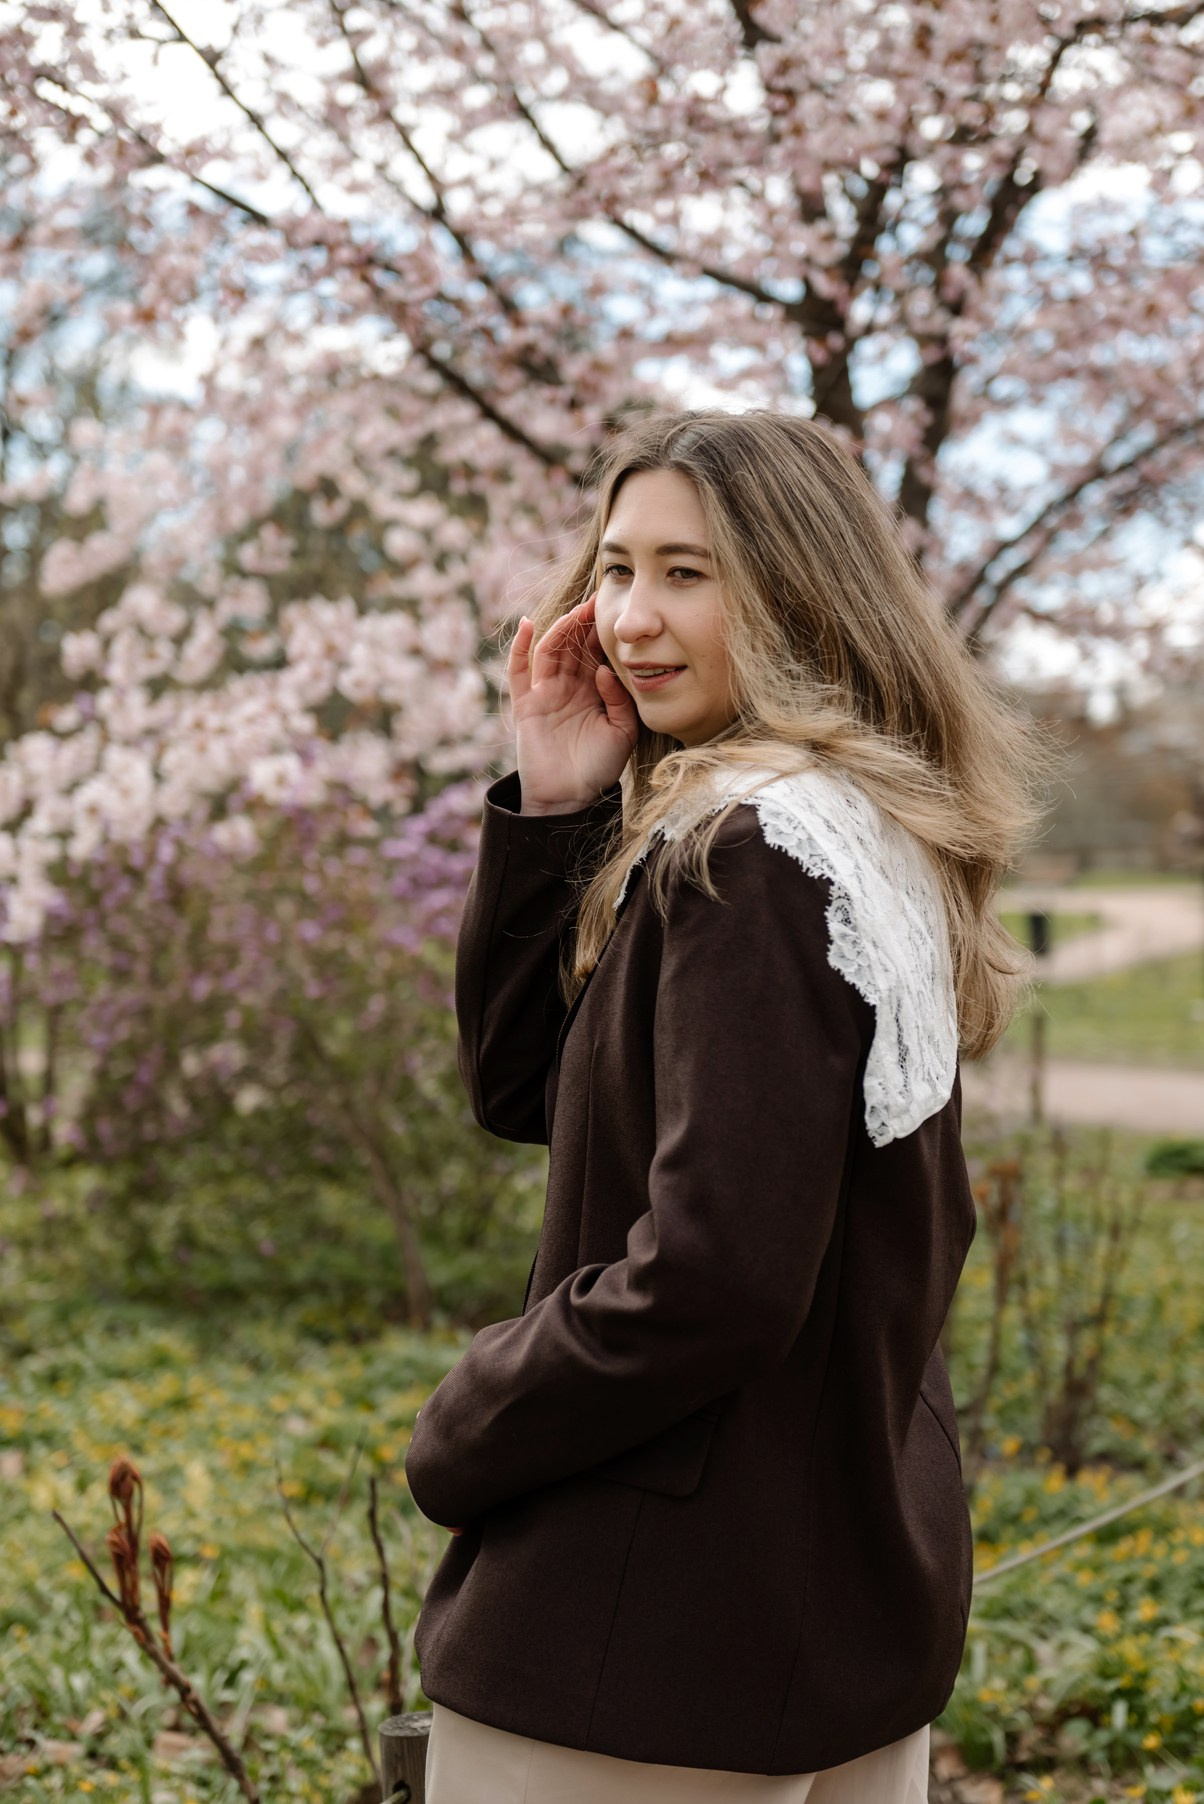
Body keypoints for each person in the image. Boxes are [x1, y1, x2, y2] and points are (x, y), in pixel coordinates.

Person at [404, 409, 1043, 1803]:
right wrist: (561, 804)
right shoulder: (858, 829)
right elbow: (534, 1094)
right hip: (834, 1604)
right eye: (618, 568)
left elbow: (714, 1278)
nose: (631, 616)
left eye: (689, 572)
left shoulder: (749, 852)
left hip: (640, 1640)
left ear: (801, 585)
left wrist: (469, 1418)